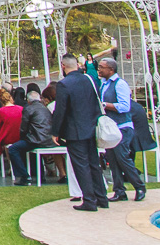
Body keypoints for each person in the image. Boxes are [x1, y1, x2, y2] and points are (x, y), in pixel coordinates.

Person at [50, 55, 108, 212]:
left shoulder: (64, 84)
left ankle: (89, 199)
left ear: (63, 66)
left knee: (81, 165)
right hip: (90, 127)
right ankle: (101, 197)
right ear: (77, 65)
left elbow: (60, 110)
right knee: (93, 163)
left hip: (75, 130)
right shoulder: (89, 80)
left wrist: (56, 131)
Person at [97, 57, 146, 202]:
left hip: (122, 127)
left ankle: (139, 186)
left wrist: (104, 104)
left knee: (122, 157)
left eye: (101, 67)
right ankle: (119, 191)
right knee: (112, 159)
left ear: (111, 69)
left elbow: (125, 106)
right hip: (110, 129)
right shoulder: (104, 84)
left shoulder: (120, 84)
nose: (99, 69)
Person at [7, 89, 53, 185]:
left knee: (12, 149)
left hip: (35, 140)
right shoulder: (45, 108)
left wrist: (22, 137)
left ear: (28, 100)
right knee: (29, 151)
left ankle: (24, 176)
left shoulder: (28, 109)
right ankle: (40, 175)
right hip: (48, 139)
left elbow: (23, 128)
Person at [0, 88, 22, 160]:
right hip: (20, 136)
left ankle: (11, 163)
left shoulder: (0, 111)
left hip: (8, 137)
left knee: (3, 138)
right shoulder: (20, 108)